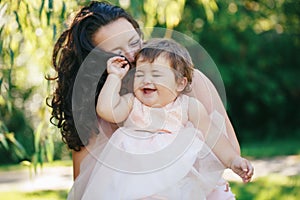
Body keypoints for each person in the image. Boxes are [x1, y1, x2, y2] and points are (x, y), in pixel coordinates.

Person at [47, 1, 248, 199]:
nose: (132, 55)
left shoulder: (188, 85)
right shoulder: (113, 103)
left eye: (134, 42)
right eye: (117, 53)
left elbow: (225, 144)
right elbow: (85, 185)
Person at [76, 38, 252, 199]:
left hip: (178, 181)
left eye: (157, 75)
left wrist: (233, 160)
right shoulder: (132, 103)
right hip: (136, 184)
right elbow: (106, 110)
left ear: (180, 83)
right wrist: (114, 76)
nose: (146, 80)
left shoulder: (189, 107)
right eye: (140, 74)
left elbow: (213, 137)